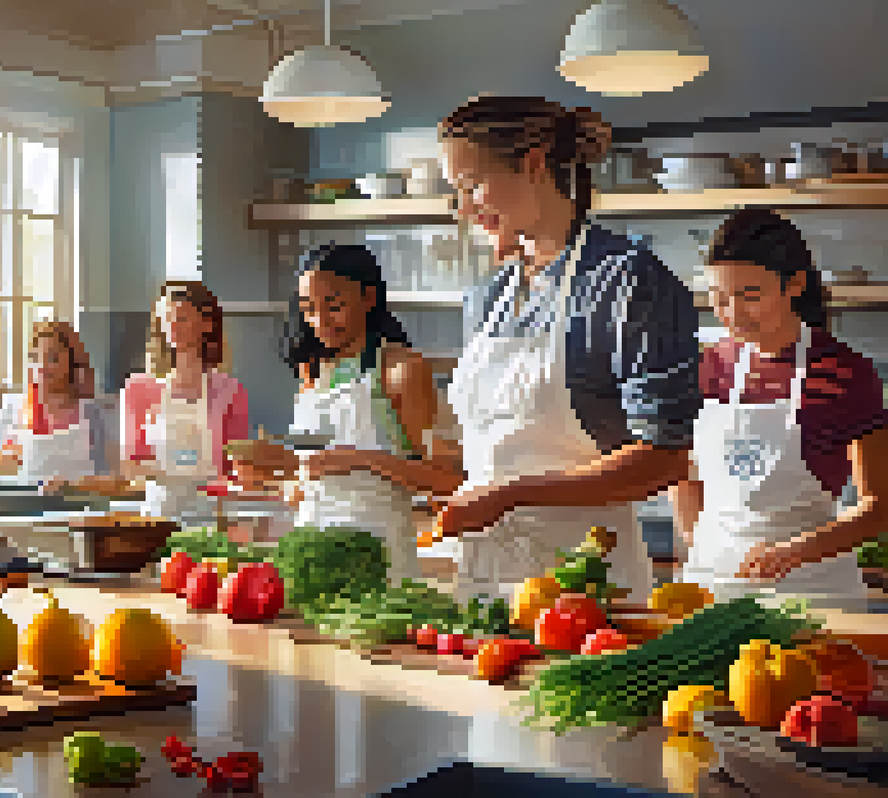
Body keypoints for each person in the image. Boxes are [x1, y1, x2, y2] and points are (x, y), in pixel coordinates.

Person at [431, 95, 703, 605]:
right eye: (457, 192)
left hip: (587, 585)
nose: (464, 208)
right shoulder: (488, 297)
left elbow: (665, 459)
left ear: (534, 164)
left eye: (472, 186)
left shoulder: (627, 282)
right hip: (482, 578)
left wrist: (511, 494)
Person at [672, 208, 888, 609]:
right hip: (715, 586)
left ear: (795, 285)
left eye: (749, 296)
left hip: (813, 591)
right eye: (719, 297)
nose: (732, 313)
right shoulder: (707, 367)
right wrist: (701, 545)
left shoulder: (846, 373)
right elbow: (682, 472)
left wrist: (793, 553)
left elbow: (879, 508)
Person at [275, 243, 464, 583]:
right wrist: (284, 478)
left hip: (381, 565)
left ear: (368, 298)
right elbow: (303, 470)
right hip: (309, 559)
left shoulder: (402, 370)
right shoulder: (311, 372)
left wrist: (359, 459)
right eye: (308, 308)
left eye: (334, 306)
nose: (319, 321)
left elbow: (448, 481)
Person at [120, 280, 251, 525]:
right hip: (158, 517)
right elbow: (130, 467)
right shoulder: (138, 388)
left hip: (210, 518)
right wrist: (170, 469)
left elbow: (236, 469)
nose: (172, 326)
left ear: (207, 323)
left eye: (181, 317)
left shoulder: (230, 391)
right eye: (166, 318)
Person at [0, 320, 117, 489]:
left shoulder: (92, 413)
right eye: (36, 358)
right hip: (24, 508)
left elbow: (111, 477)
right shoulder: (15, 407)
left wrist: (71, 485)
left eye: (52, 358)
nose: (42, 366)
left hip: (79, 508)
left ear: (72, 363)